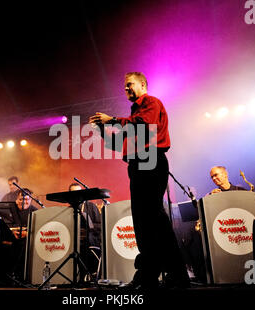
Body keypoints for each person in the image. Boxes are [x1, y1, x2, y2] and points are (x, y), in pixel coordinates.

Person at [89, 72, 189, 289]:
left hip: (151, 161)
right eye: (124, 87)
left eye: (130, 85)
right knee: (144, 224)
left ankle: (177, 275)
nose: (126, 89)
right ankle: (149, 276)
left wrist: (113, 119)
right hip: (138, 164)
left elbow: (145, 124)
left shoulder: (151, 103)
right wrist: (101, 130)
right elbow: (117, 145)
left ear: (143, 85)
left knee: (154, 220)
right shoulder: (134, 115)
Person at [68, 182, 102, 280]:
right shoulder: (69, 209)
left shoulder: (91, 206)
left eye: (78, 192)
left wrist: (87, 229)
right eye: (73, 193)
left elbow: (100, 225)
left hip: (91, 241)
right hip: (74, 242)